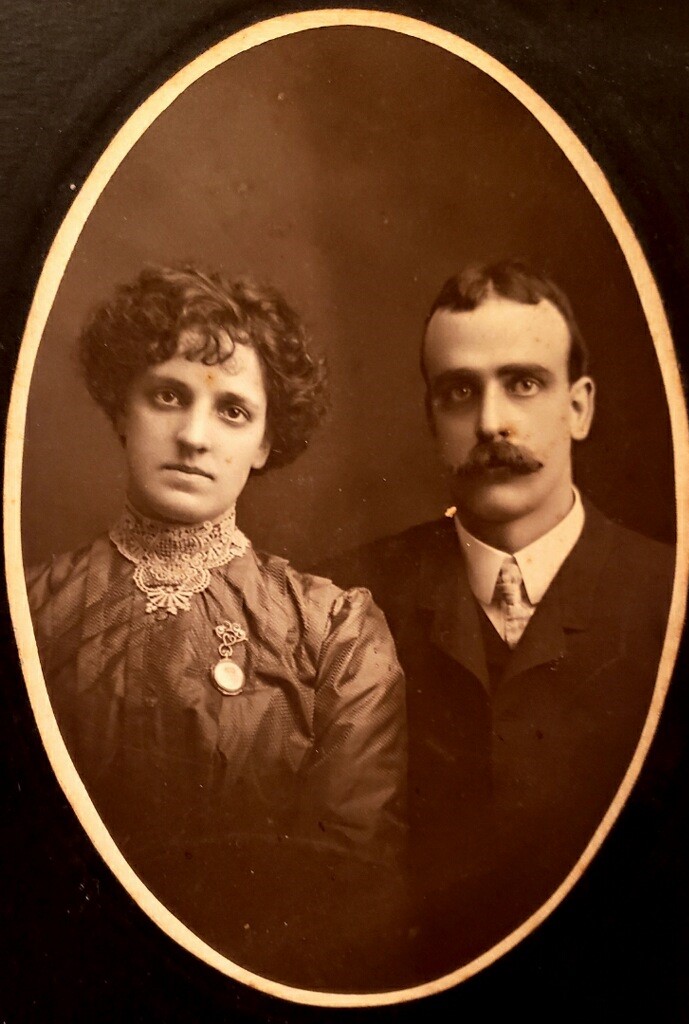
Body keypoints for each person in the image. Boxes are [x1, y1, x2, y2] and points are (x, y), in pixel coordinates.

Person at [26, 265, 407, 990]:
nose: (194, 436)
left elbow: (352, 876)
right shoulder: (28, 612)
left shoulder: (336, 633)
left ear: (267, 441)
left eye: (233, 410)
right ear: (120, 410)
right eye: (167, 396)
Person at [323, 260, 676, 982]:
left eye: (523, 383)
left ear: (577, 406)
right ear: (431, 419)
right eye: (459, 392)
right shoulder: (341, 600)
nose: (490, 423)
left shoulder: (671, 591)